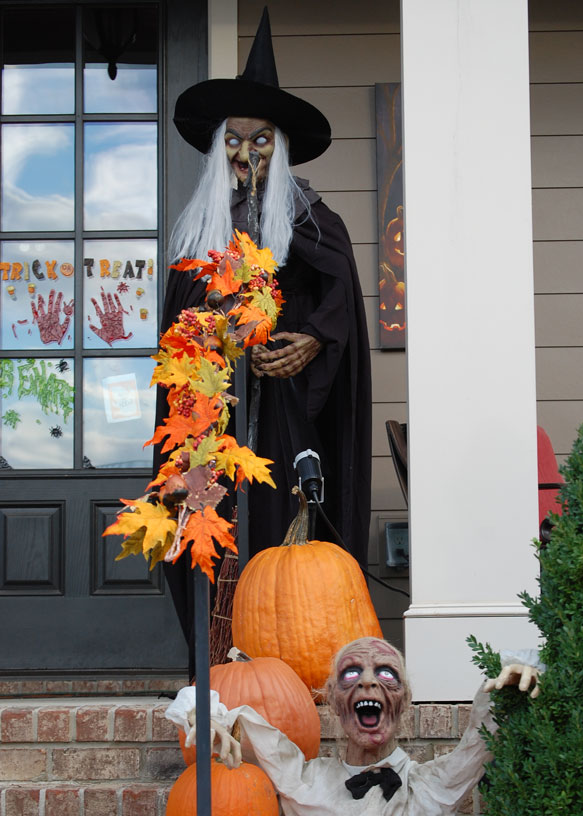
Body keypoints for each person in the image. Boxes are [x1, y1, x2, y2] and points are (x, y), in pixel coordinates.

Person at [155, 9, 372, 666]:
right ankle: (215, 666)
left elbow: (339, 305)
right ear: (218, 144)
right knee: (200, 527)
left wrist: (313, 338)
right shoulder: (197, 236)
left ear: (280, 148)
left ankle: (281, 667)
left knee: (280, 538)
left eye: (262, 140)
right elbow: (179, 331)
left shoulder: (312, 221)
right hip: (207, 423)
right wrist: (213, 329)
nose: (246, 154)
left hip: (281, 418)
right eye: (234, 139)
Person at [167, 636, 539, 816]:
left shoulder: (434, 788)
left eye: (385, 674)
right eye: (351, 675)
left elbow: (481, 734)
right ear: (332, 700)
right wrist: (204, 715)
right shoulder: (306, 785)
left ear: (405, 700)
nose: (367, 680)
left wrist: (521, 671)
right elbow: (236, 726)